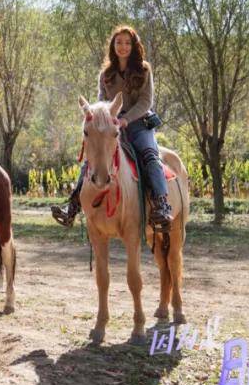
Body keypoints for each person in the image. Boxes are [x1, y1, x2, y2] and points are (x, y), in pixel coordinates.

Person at [52, 25, 174, 231]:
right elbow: (102, 102)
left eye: (127, 43)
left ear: (134, 46)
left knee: (150, 156)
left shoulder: (144, 70)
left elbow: (146, 102)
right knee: (93, 157)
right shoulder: (105, 74)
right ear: (113, 45)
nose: (123, 47)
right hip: (110, 129)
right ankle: (72, 205)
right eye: (119, 42)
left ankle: (161, 204)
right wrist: (100, 117)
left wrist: (125, 119)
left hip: (139, 125)